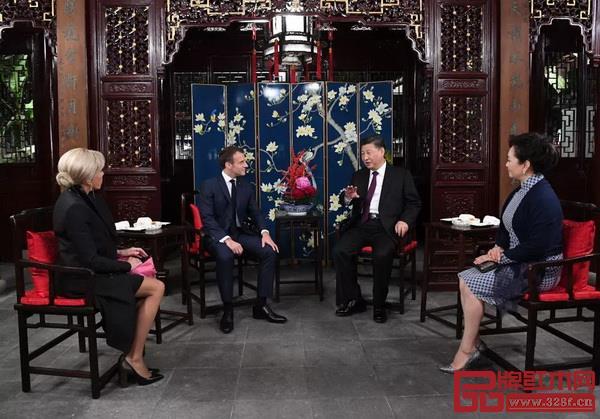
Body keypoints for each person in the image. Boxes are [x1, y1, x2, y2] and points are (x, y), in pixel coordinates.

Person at [440, 132, 563, 373]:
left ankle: (467, 350)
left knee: (471, 283)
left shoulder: (543, 198)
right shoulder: (521, 191)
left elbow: (538, 247)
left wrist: (500, 257)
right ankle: (473, 344)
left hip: (540, 268)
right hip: (520, 259)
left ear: (525, 165)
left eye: (509, 159)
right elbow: (506, 229)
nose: (506, 164)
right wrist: (497, 248)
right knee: (466, 278)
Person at [53, 148, 164, 385]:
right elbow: (89, 260)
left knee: (148, 286)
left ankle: (132, 352)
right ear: (87, 177)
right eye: (99, 170)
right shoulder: (74, 207)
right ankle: (134, 357)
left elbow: (88, 246)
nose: (103, 174)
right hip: (81, 278)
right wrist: (125, 266)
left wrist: (121, 253)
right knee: (156, 288)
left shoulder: (82, 197)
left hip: (89, 271)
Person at [198, 146, 287, 334]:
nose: (246, 165)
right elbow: (207, 219)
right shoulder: (209, 185)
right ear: (228, 165)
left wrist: (264, 233)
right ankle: (227, 310)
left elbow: (256, 212)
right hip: (216, 237)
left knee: (269, 251)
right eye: (242, 162)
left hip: (240, 234)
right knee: (225, 256)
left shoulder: (245, 186)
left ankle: (261, 306)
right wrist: (226, 239)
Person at [333, 135, 421, 323]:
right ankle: (354, 299)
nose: (365, 157)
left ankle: (379, 305)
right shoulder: (359, 175)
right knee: (340, 251)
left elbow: (414, 203)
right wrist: (348, 197)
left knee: (381, 255)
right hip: (362, 224)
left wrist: (404, 221)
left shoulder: (401, 175)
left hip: (386, 227)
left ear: (381, 152)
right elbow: (346, 200)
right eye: (362, 153)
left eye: (369, 152)